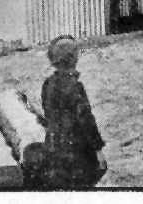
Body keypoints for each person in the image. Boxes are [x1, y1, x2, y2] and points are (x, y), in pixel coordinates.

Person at [36, 36, 106, 190]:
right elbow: (86, 121)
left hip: (53, 153)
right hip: (76, 155)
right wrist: (98, 151)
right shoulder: (74, 86)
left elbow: (48, 116)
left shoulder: (48, 84)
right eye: (76, 53)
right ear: (71, 58)